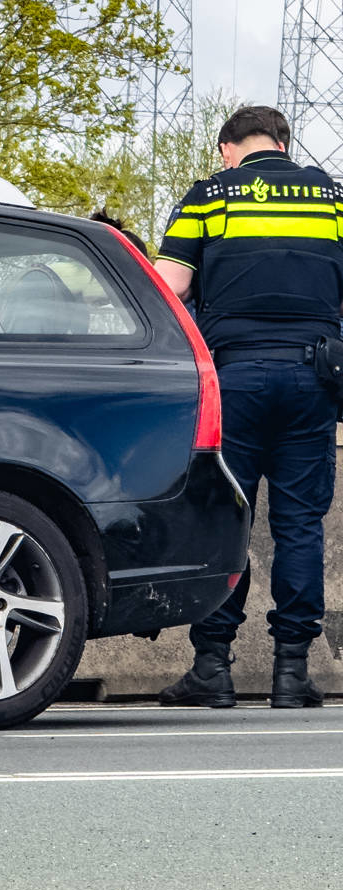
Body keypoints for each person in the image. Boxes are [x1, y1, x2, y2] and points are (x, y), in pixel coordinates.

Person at [154, 105, 343, 709]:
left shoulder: (210, 195)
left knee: (225, 519)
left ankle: (212, 668)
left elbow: (170, 285)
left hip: (233, 379)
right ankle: (292, 672)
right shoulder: (332, 199)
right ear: (283, 144)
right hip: (314, 378)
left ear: (227, 148)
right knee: (299, 525)